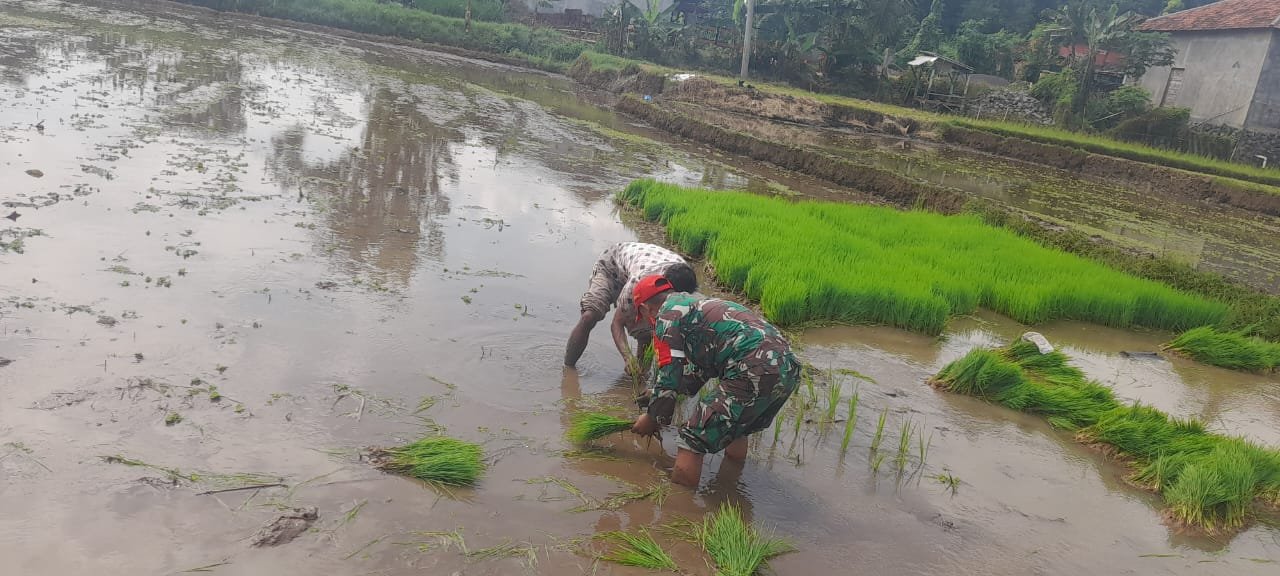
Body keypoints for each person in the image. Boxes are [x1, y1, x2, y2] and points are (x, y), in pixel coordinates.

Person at [628, 275, 799, 487]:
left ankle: (679, 510)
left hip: (752, 367)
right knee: (739, 428)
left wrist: (652, 417)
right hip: (787, 367)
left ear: (646, 309)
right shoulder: (695, 305)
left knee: (692, 437)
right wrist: (656, 394)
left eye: (643, 317)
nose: (647, 322)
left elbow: (668, 376)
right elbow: (701, 370)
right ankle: (729, 487)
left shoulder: (666, 316)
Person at [564, 242, 698, 370]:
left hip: (642, 263)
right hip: (611, 265)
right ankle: (568, 369)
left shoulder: (686, 278)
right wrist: (627, 357)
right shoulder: (640, 283)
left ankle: (638, 376)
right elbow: (617, 323)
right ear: (665, 289)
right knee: (589, 316)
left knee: (646, 332)